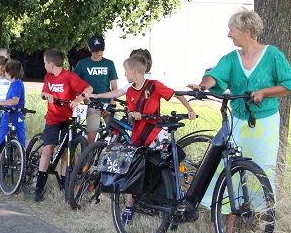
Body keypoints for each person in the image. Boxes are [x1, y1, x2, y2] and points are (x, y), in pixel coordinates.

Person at [188, 10, 291, 233]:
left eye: (233, 30)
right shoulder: (231, 58)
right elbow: (216, 76)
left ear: (248, 32)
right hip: (238, 120)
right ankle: (229, 231)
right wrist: (203, 85)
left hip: (265, 123)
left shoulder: (273, 56)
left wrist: (265, 92)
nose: (229, 35)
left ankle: (263, 231)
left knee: (263, 173)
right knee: (232, 171)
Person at [92, 55, 197, 222]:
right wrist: (133, 115)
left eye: (126, 71)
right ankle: (129, 207)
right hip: (138, 136)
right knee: (132, 169)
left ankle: (163, 198)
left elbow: (175, 94)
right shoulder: (131, 91)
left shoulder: (154, 86)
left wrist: (190, 109)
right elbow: (131, 115)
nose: (125, 75)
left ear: (134, 71)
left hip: (155, 133)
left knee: (165, 163)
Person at [34, 48, 93, 202]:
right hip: (53, 118)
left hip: (68, 118)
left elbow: (89, 88)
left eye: (45, 63)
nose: (44, 65)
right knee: (48, 148)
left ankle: (64, 182)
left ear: (52, 64)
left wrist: (78, 99)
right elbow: (43, 92)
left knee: (66, 150)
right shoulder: (48, 77)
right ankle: (39, 186)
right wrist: (46, 95)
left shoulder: (69, 77)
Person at [0, 59, 26, 192]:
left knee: (16, 146)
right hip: (8, 116)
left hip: (14, 117)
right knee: (2, 145)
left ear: (9, 72)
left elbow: (15, 100)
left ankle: (22, 173)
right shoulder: (14, 84)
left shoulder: (17, 84)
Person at [73, 35, 118, 143]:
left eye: (101, 50)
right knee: (92, 135)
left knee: (117, 133)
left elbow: (114, 87)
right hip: (92, 103)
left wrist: (111, 105)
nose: (99, 53)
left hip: (107, 103)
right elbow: (75, 84)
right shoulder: (82, 64)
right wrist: (83, 98)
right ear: (89, 49)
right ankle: (89, 157)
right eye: (96, 50)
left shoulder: (109, 64)